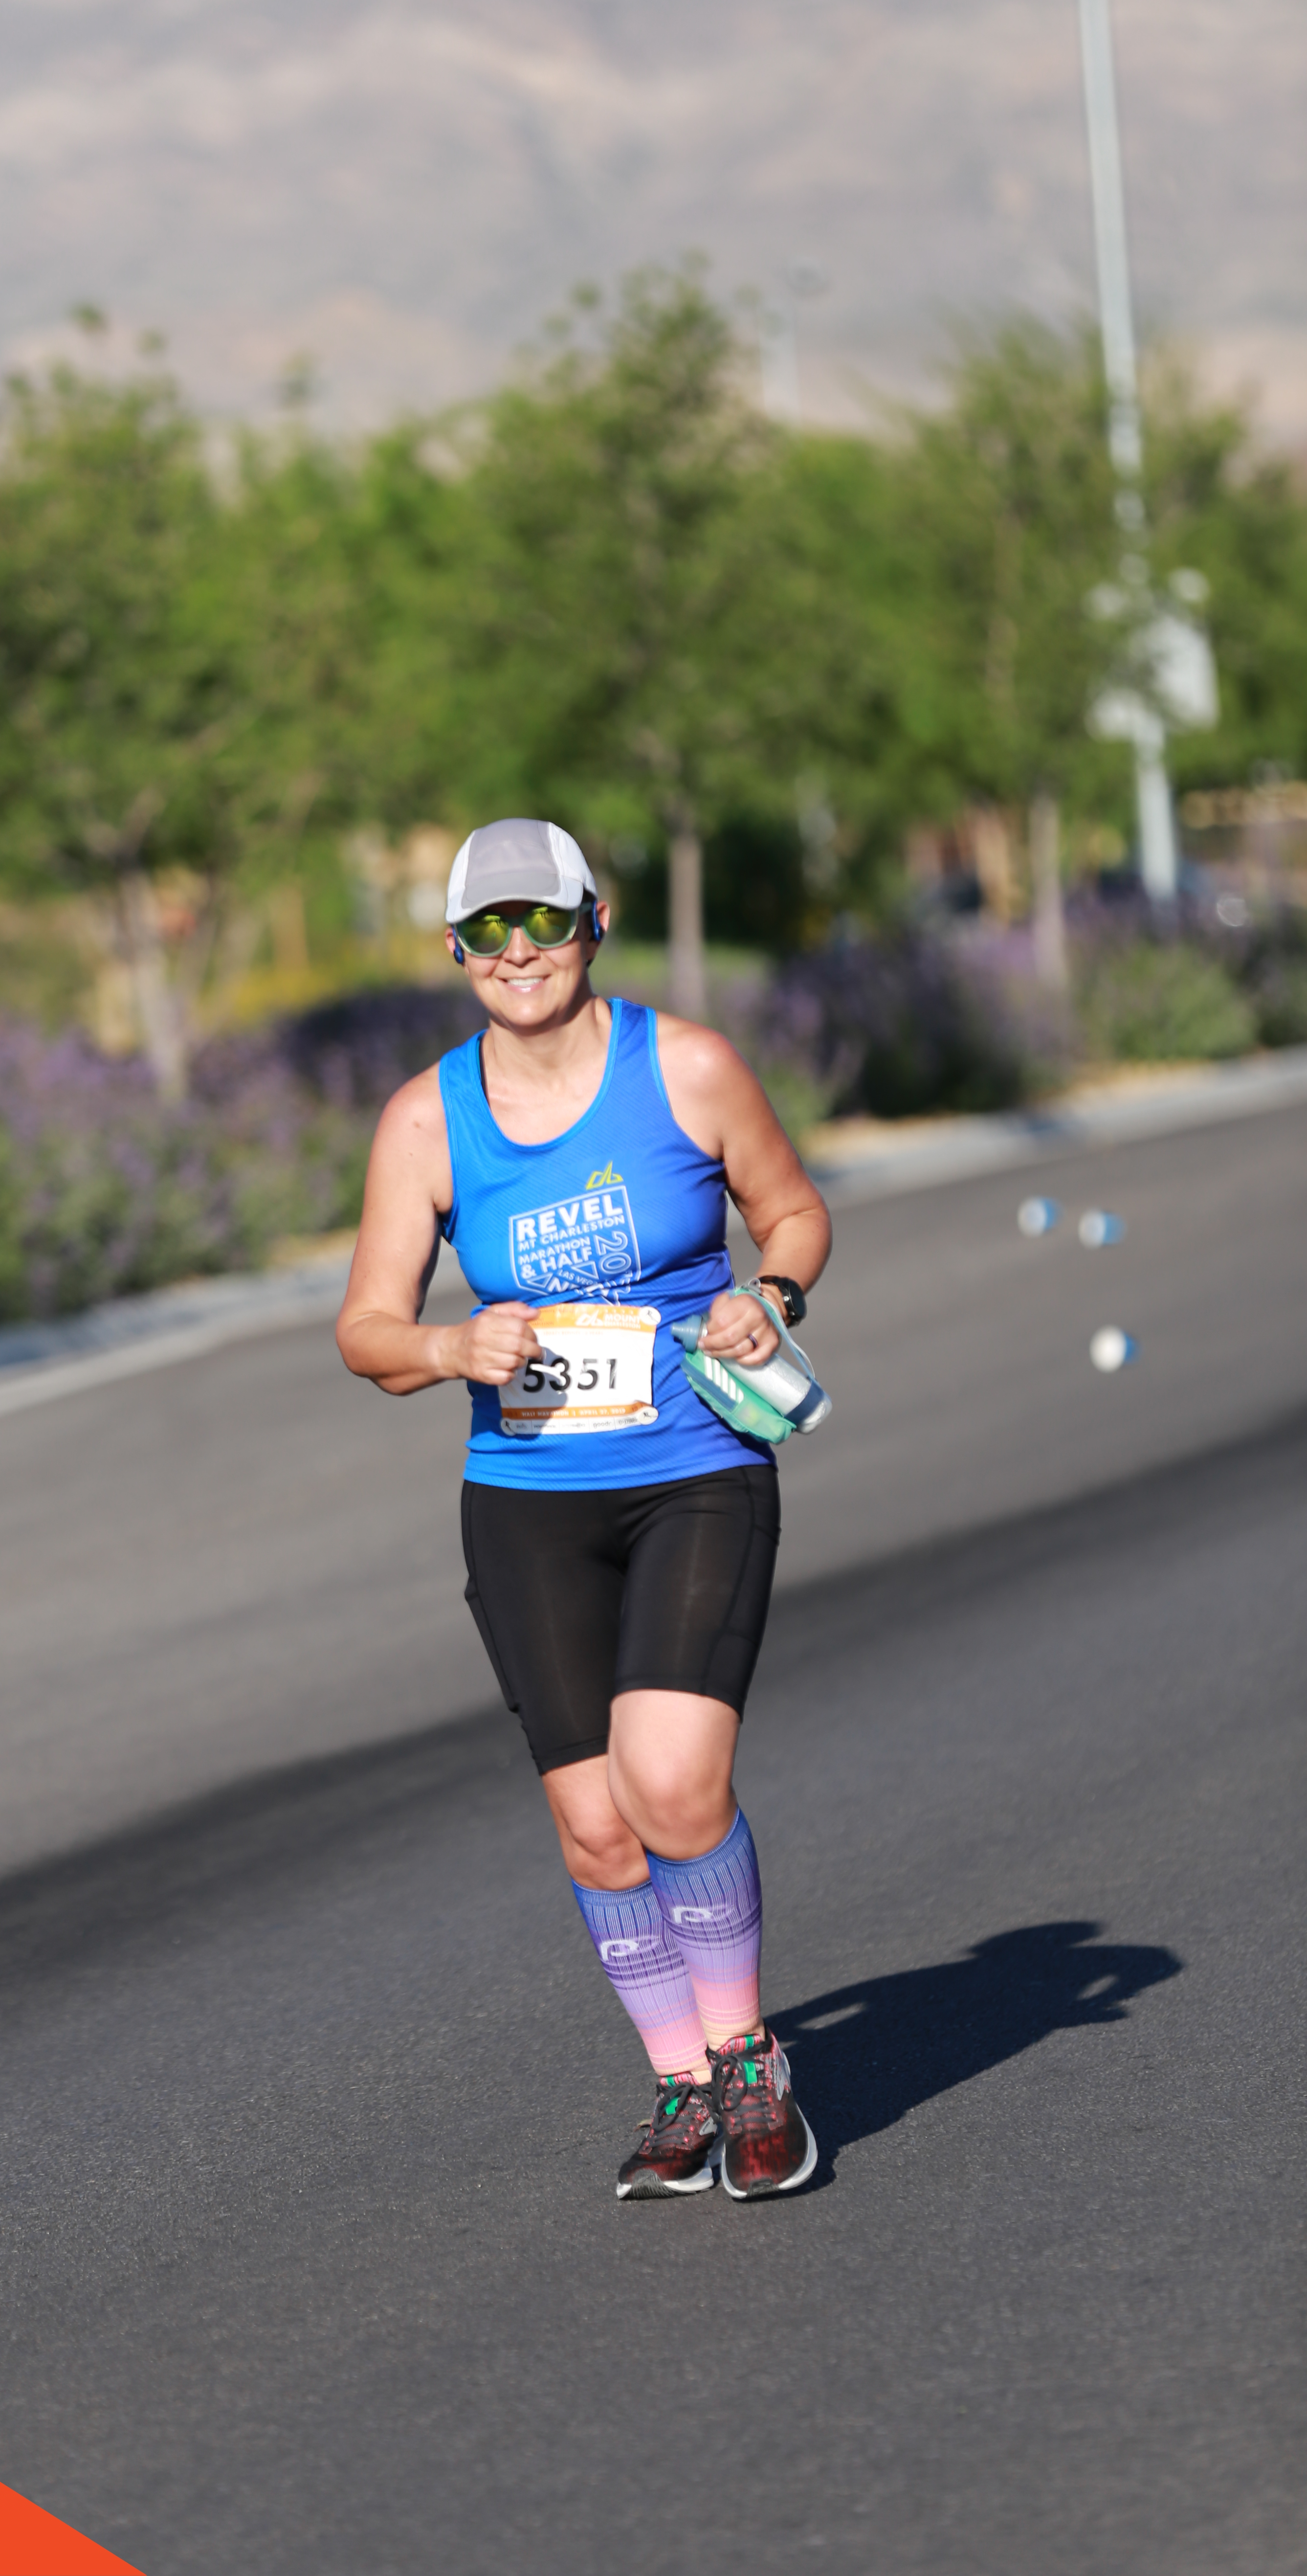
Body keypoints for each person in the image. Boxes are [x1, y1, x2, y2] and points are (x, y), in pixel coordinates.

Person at [336, 817, 832, 2200]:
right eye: (487, 931)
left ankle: (748, 2064)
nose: (519, 952)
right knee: (598, 1830)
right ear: (455, 950)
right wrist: (449, 1346)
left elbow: (794, 1214)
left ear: (592, 924)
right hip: (527, 1499)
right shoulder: (427, 1120)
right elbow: (366, 1331)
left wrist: (769, 1297)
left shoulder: (686, 1067)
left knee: (669, 1784)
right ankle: (682, 2086)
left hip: (694, 1470)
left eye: (542, 921)